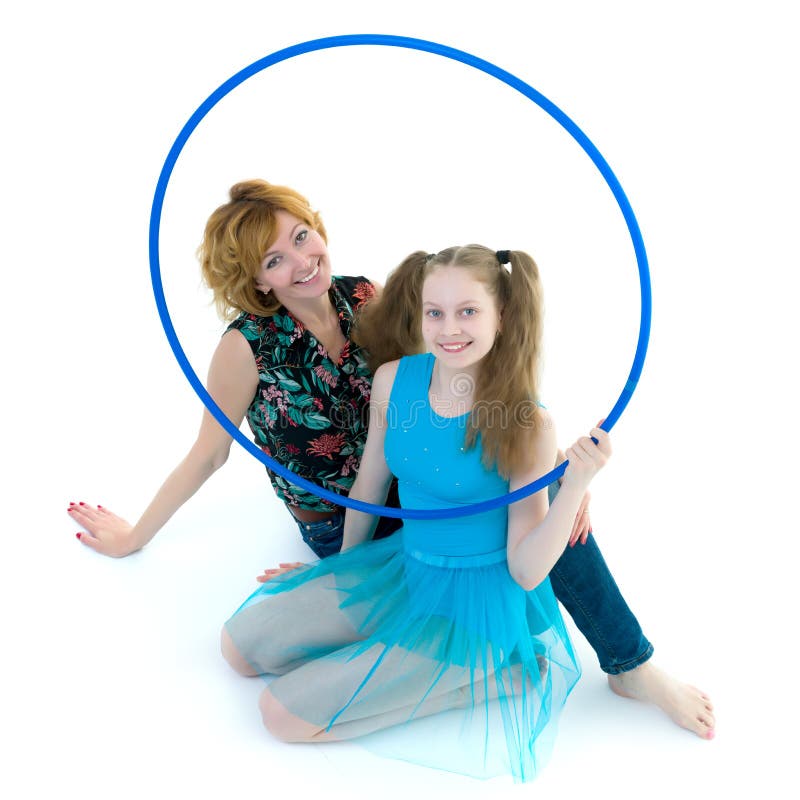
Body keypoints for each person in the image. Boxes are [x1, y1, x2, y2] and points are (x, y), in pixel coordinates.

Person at [67, 180, 714, 740]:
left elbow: (460, 374)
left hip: (428, 490)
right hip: (352, 520)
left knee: (559, 529)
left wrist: (541, 473)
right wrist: (133, 538)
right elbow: (206, 457)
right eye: (274, 257)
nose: (299, 260)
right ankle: (417, 622)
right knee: (241, 651)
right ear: (254, 279)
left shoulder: (366, 298)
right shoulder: (247, 346)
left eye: (300, 236)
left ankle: (629, 664)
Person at [222, 244, 610, 781]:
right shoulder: (396, 380)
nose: (449, 328)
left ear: (503, 315)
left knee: (281, 716)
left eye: (468, 311)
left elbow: (526, 571)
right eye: (436, 312)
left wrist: (576, 485)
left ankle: (496, 675)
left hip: (472, 609)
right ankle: (387, 642)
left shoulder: (526, 421)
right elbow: (370, 485)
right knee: (240, 647)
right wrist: (342, 572)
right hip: (405, 569)